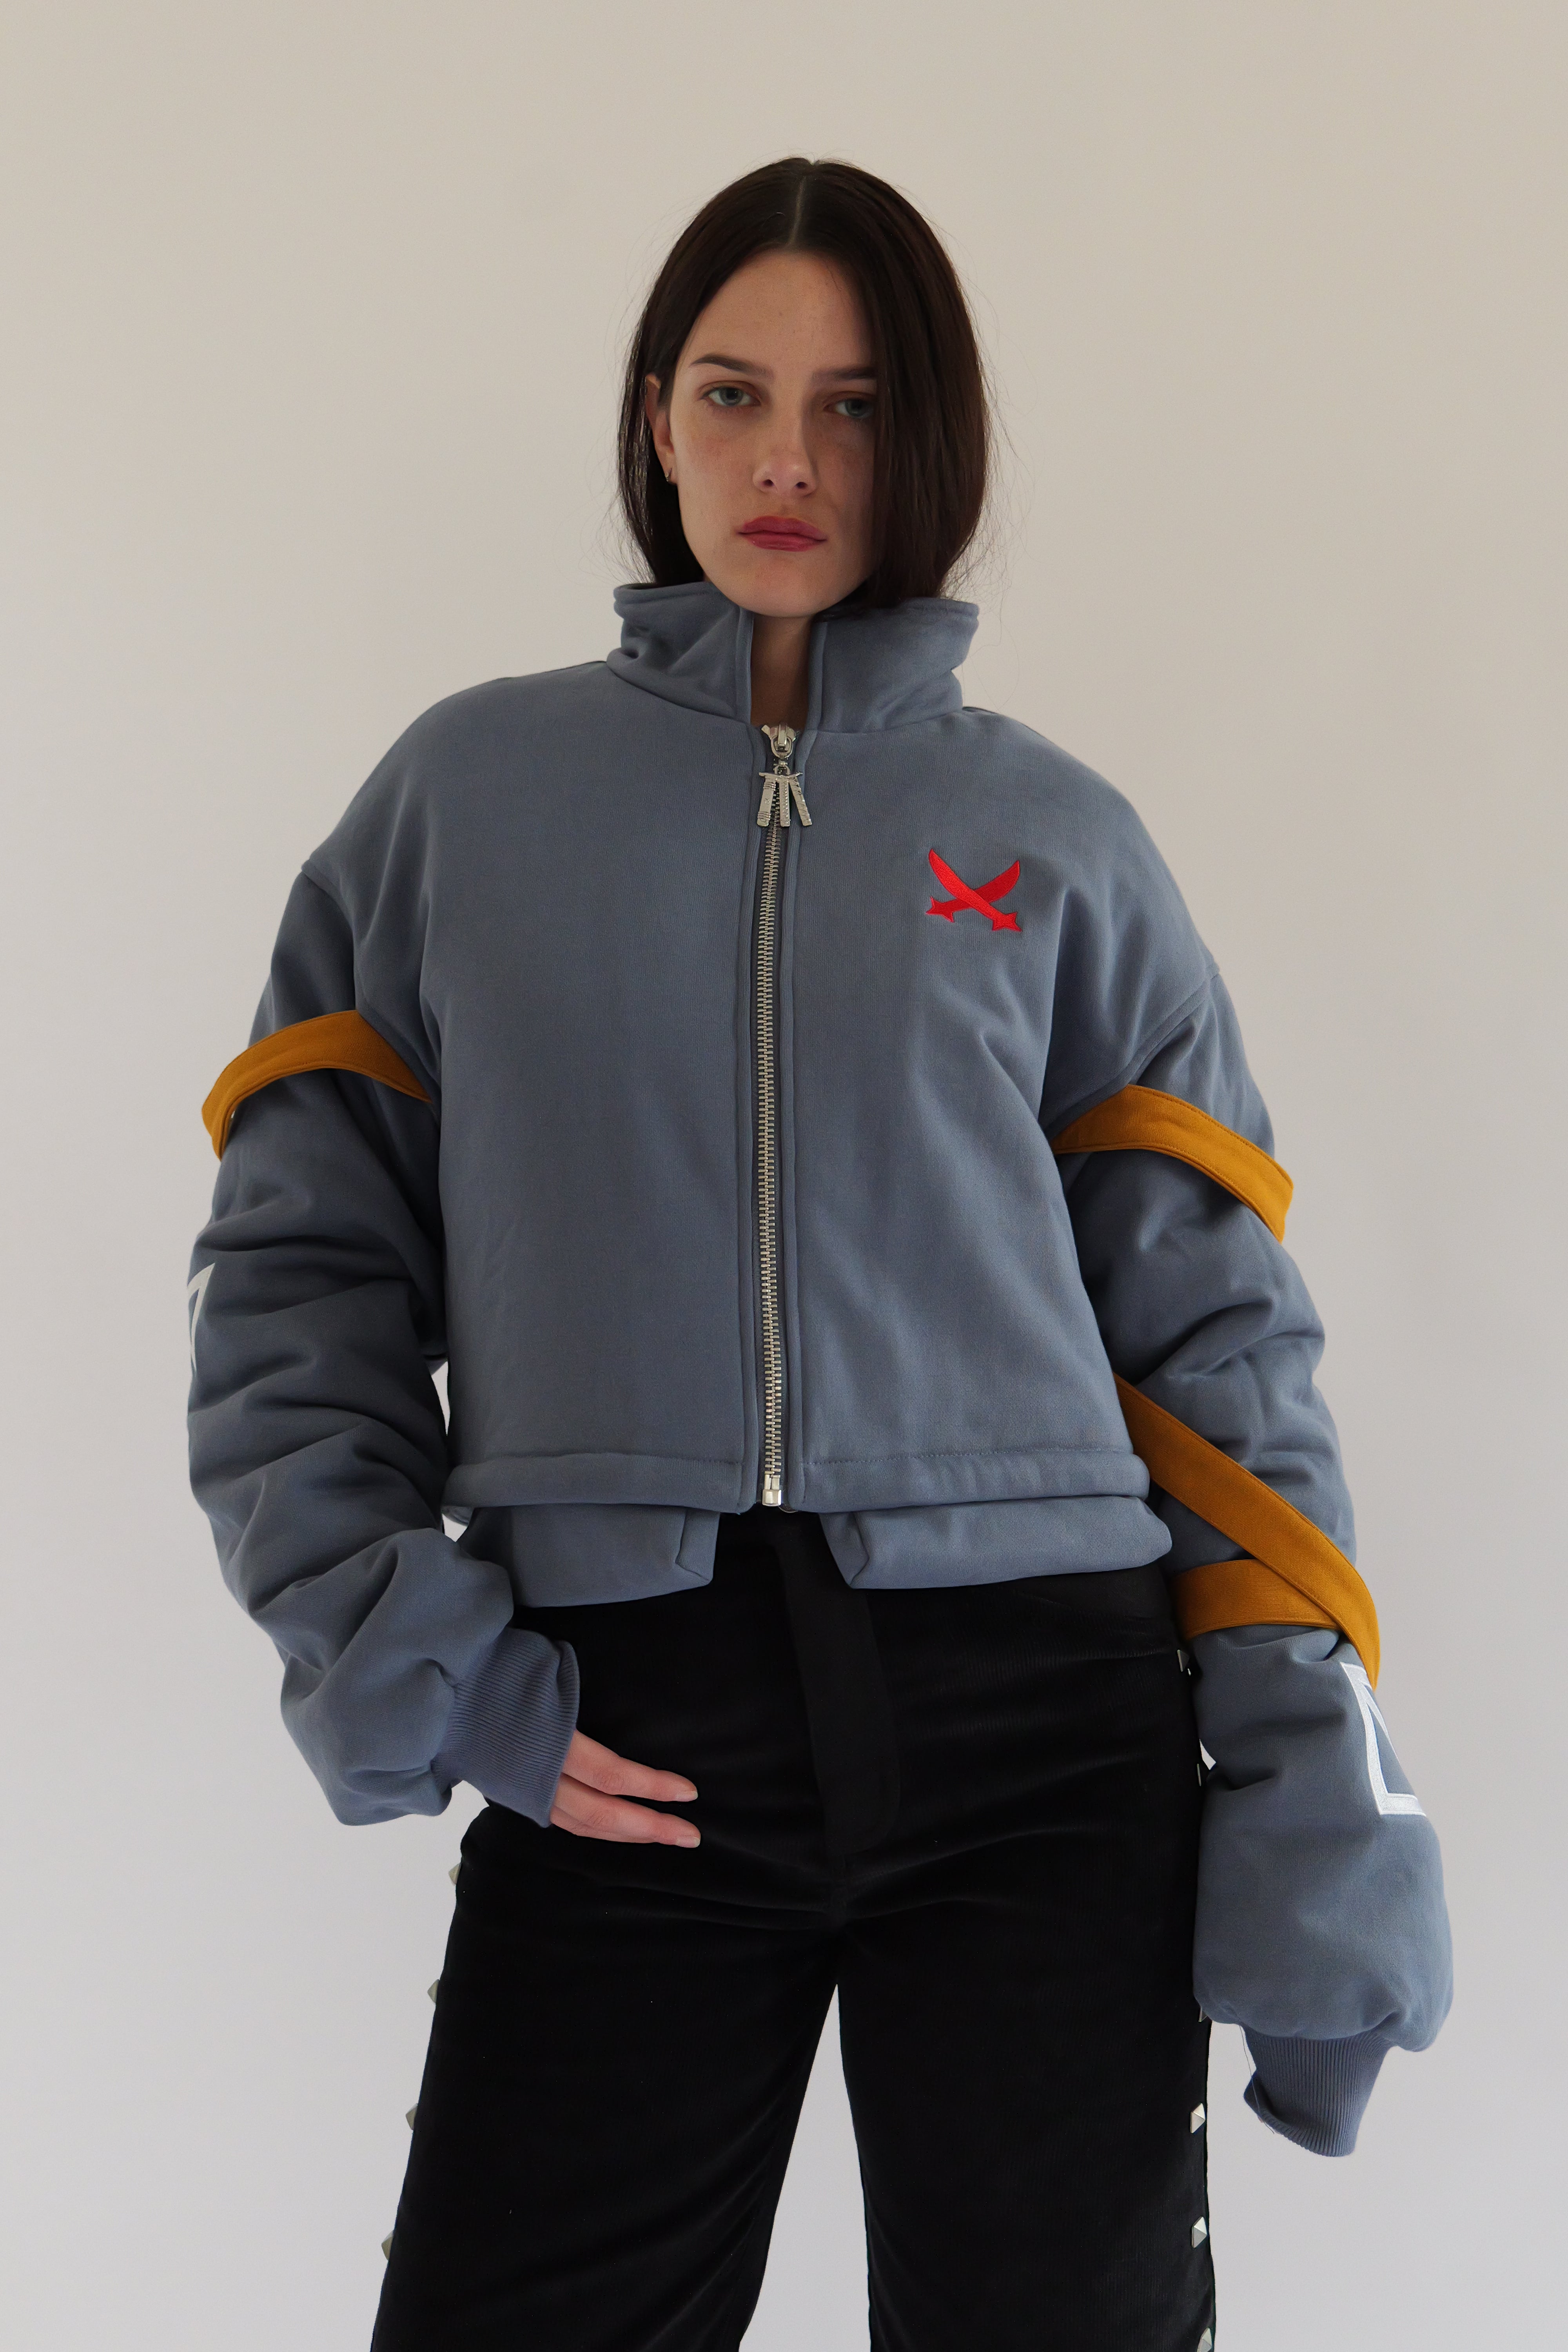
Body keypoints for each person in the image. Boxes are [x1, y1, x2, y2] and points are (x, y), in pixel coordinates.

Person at [187, 158, 1451, 2352]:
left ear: (927, 437)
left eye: (854, 408)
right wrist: (422, 1653)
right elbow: (299, 1276)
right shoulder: (461, 805)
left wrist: (1309, 1798)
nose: (789, 459)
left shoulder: (1052, 841)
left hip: (1048, 1731)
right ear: (655, 419)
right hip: (626, 1717)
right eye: (735, 393)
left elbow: (1219, 1347)